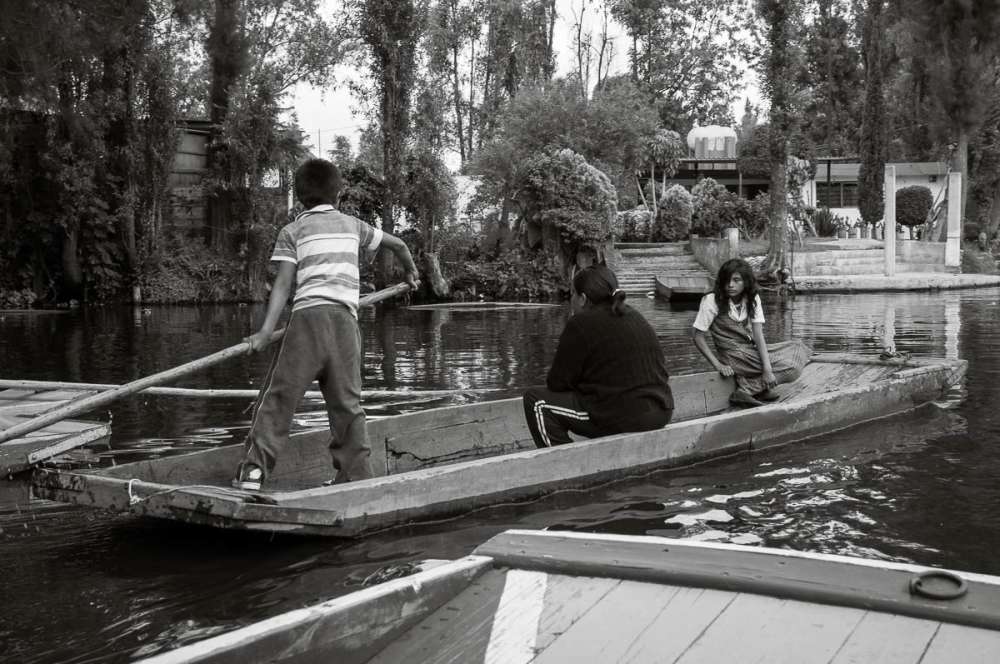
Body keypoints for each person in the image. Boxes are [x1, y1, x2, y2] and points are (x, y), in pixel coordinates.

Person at [233, 158, 420, 491]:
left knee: (279, 399)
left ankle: (254, 472)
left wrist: (264, 332)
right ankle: (357, 475)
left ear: (300, 195)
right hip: (345, 326)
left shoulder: (292, 231)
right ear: (339, 193)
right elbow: (399, 245)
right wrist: (411, 273)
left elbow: (283, 285)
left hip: (307, 323)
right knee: (347, 404)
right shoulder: (353, 225)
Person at [522, 264, 674, 448]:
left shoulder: (580, 323)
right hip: (661, 411)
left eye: (572, 294)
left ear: (583, 298)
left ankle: (562, 463)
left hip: (627, 416)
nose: (571, 299)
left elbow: (557, 383)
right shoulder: (635, 315)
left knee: (536, 402)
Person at [692, 258, 810, 408]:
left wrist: (768, 370)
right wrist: (718, 365)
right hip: (733, 355)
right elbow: (697, 336)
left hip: (749, 350)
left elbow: (758, 336)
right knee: (792, 369)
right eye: (727, 280)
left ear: (746, 282)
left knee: (798, 346)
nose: (730, 285)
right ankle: (747, 390)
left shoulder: (752, 299)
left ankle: (759, 388)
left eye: (736, 280)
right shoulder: (712, 300)